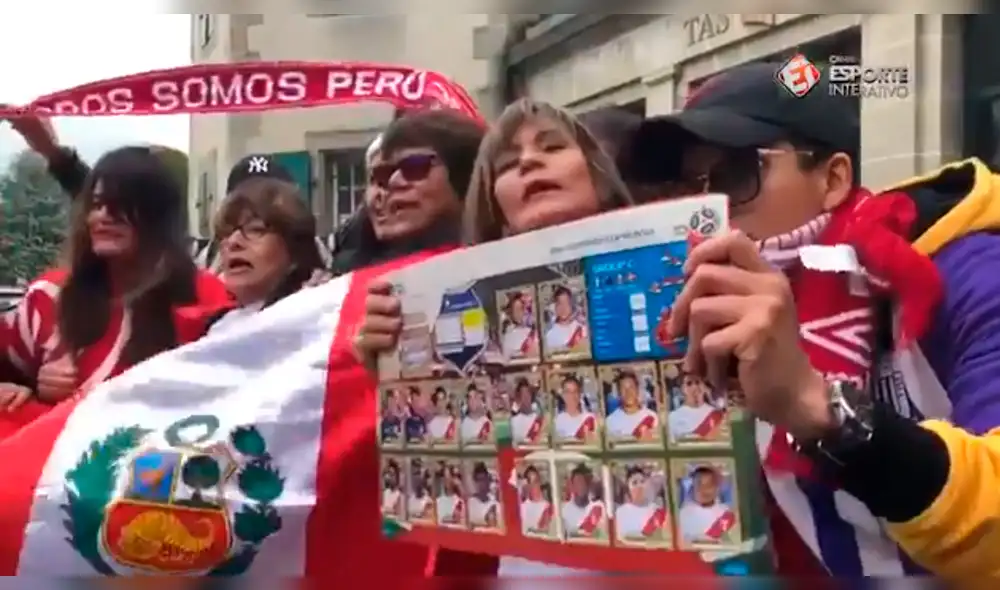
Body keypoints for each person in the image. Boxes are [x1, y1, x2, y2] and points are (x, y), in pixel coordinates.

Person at [637, 61, 1000, 581]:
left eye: (735, 174)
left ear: (834, 179)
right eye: (684, 186)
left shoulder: (968, 272)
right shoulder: (704, 307)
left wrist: (821, 409)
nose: (703, 209)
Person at [355, 98, 634, 577]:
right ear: (495, 205)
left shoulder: (689, 271)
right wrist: (393, 377)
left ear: (599, 177)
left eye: (551, 146)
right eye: (508, 163)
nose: (529, 161)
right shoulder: (451, 308)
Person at [0, 147, 231, 426]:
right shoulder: (49, 295)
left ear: (158, 217)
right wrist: (23, 391)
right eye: (96, 205)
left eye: (120, 206)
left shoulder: (206, 298)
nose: (102, 216)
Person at [206, 164, 326, 334]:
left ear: (295, 247)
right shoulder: (212, 328)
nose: (233, 242)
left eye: (255, 229)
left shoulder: (326, 320)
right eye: (226, 232)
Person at [678, 466, 736, 546]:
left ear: (717, 488)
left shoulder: (727, 514)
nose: (704, 490)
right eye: (699, 484)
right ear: (693, 487)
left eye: (709, 485)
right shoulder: (681, 514)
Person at [668, 371, 725, 442]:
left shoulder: (715, 413)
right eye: (689, 383)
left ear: (704, 387)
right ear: (683, 389)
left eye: (698, 382)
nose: (694, 386)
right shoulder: (673, 416)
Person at [614, 466, 667, 541]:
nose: (639, 486)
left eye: (642, 482)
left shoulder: (656, 511)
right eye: (634, 483)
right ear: (628, 487)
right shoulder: (620, 512)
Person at [605, 371, 657, 440]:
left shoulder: (652, 417)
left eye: (631, 387)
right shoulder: (610, 421)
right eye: (623, 388)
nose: (628, 392)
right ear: (618, 392)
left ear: (637, 390)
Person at [560, 464, 604, 537]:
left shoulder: (598, 507)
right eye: (578, 482)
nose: (581, 486)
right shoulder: (564, 510)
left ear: (588, 484)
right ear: (572, 485)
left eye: (583, 482)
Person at [553, 375, 597, 443]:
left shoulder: (590, 418)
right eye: (568, 392)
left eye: (575, 391)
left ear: (579, 394)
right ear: (563, 395)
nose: (572, 396)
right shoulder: (556, 421)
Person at [543, 286, 587, 353]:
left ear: (571, 305)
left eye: (566, 303)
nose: (563, 308)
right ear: (555, 306)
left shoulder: (582, 330)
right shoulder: (547, 332)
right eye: (559, 303)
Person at [500, 291, 538, 359]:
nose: (519, 313)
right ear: (510, 312)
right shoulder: (507, 336)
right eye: (515, 309)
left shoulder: (532, 332)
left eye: (520, 309)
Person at [519, 465, 553, 535]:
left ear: (539, 482)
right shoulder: (521, 508)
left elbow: (546, 531)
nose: (533, 485)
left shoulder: (548, 507)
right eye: (529, 481)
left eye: (536, 481)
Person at [510, 378, 544, 445]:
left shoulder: (540, 419)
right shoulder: (512, 421)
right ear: (518, 399)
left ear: (531, 397)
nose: (525, 400)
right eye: (522, 396)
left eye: (527, 395)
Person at [468, 462, 500, 529]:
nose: (482, 483)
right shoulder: (470, 503)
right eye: (479, 480)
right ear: (475, 482)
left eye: (484, 479)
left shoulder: (494, 502)